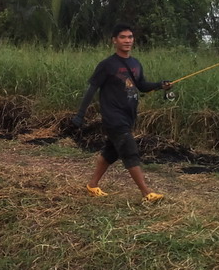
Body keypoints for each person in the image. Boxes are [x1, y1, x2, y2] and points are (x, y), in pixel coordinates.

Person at [71, 24, 172, 202]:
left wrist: (160, 85)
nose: (127, 40)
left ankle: (92, 186)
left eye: (130, 37)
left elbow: (141, 86)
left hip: (128, 115)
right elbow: (92, 89)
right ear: (114, 41)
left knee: (111, 152)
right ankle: (146, 193)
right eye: (123, 37)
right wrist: (80, 114)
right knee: (129, 150)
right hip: (113, 116)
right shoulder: (107, 65)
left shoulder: (135, 63)